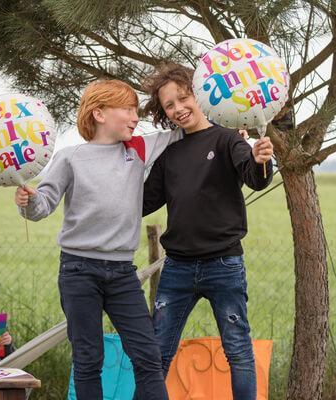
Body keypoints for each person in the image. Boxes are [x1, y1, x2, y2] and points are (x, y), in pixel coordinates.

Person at [14, 79, 178, 400]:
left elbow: (187, 130)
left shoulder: (138, 149)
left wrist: (233, 129)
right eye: (127, 109)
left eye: (136, 110)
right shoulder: (69, 158)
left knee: (147, 356)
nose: (135, 117)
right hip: (78, 272)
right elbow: (42, 205)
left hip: (122, 274)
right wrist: (28, 201)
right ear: (100, 114)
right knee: (89, 360)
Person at [141, 64, 274, 400]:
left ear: (199, 95)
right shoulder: (170, 152)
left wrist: (260, 158)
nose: (178, 109)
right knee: (156, 355)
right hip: (178, 269)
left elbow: (255, 177)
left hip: (224, 266)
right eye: (169, 105)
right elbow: (143, 202)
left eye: (183, 98)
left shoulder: (228, 137)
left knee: (238, 352)